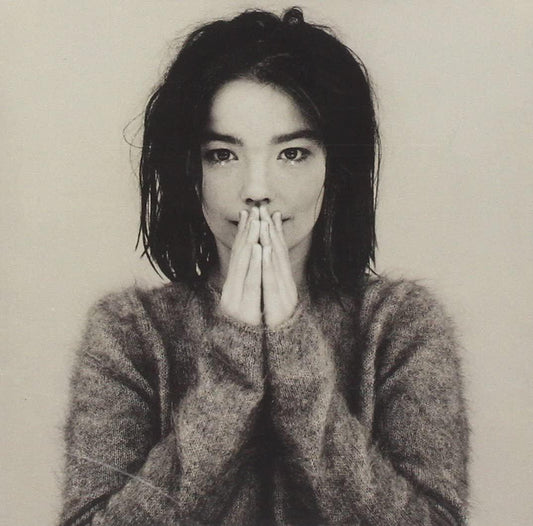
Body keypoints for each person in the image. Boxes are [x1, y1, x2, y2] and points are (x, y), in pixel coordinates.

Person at [60, 7, 469, 525]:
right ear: (190, 170)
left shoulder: (401, 325)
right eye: (223, 155)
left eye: (292, 153)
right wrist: (232, 367)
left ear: (334, 169)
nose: (256, 189)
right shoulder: (129, 332)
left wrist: (295, 358)